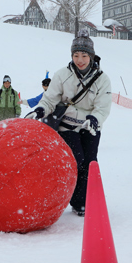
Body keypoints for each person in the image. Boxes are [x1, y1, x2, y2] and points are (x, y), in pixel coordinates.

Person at [29, 30, 112, 215]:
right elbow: (49, 99)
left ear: (91, 56)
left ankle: (83, 202)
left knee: (90, 163)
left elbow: (103, 106)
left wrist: (95, 119)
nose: (80, 59)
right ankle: (69, 197)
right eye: (76, 55)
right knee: (76, 160)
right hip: (66, 126)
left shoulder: (102, 79)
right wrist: (41, 109)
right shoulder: (62, 75)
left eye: (84, 55)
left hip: (90, 127)